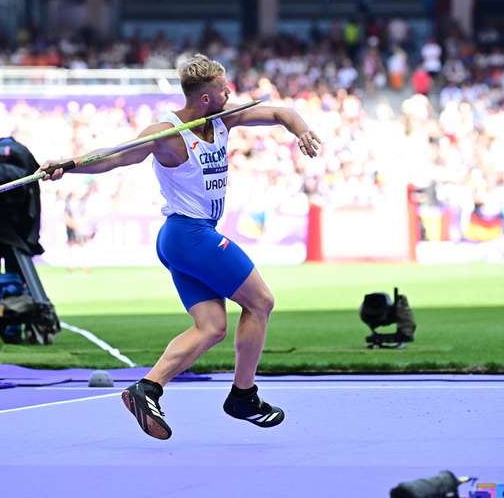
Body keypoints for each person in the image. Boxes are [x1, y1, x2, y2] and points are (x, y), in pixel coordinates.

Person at [40, 54, 322, 440]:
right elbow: (118, 156)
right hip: (190, 235)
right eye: (224, 89)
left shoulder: (221, 119)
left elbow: (281, 113)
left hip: (186, 238)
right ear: (205, 98)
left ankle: (147, 389)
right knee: (261, 302)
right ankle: (244, 396)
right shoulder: (169, 134)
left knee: (211, 327)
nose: (230, 93)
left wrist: (301, 131)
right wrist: (69, 165)